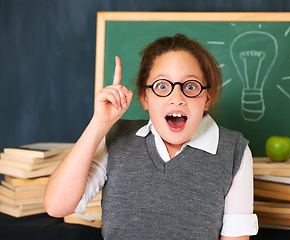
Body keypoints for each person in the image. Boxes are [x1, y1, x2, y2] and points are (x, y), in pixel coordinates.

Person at [44, 34, 258, 239]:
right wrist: (99, 124)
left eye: (190, 86)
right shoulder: (117, 137)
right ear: (144, 98)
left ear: (207, 98)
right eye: (162, 86)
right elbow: (57, 206)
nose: (177, 98)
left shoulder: (234, 151)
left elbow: (236, 237)